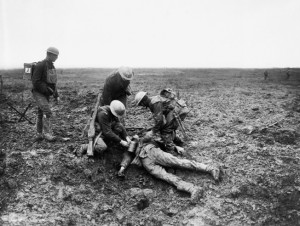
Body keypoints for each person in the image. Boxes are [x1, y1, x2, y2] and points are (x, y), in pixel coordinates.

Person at [118, 134, 220, 202]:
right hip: (145, 162)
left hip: (151, 150)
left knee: (178, 162)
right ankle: (192, 189)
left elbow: (158, 137)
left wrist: (174, 147)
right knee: (166, 177)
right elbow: (126, 158)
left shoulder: (136, 136)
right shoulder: (126, 149)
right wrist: (122, 169)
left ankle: (210, 168)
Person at [133, 88, 189, 154]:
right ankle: (179, 142)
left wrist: (152, 132)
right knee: (166, 128)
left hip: (178, 111)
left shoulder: (154, 103)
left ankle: (171, 151)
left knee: (165, 131)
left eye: (141, 104)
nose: (142, 106)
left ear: (143, 102)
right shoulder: (152, 100)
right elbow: (159, 115)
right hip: (176, 109)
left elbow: (160, 121)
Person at [31, 47, 60, 141]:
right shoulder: (41, 65)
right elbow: (35, 81)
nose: (56, 57)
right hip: (38, 92)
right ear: (49, 54)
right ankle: (47, 134)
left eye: (57, 56)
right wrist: (46, 89)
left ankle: (39, 134)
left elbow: (53, 82)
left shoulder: (51, 66)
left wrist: (56, 95)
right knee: (47, 111)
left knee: (40, 113)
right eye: (55, 56)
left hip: (46, 93)